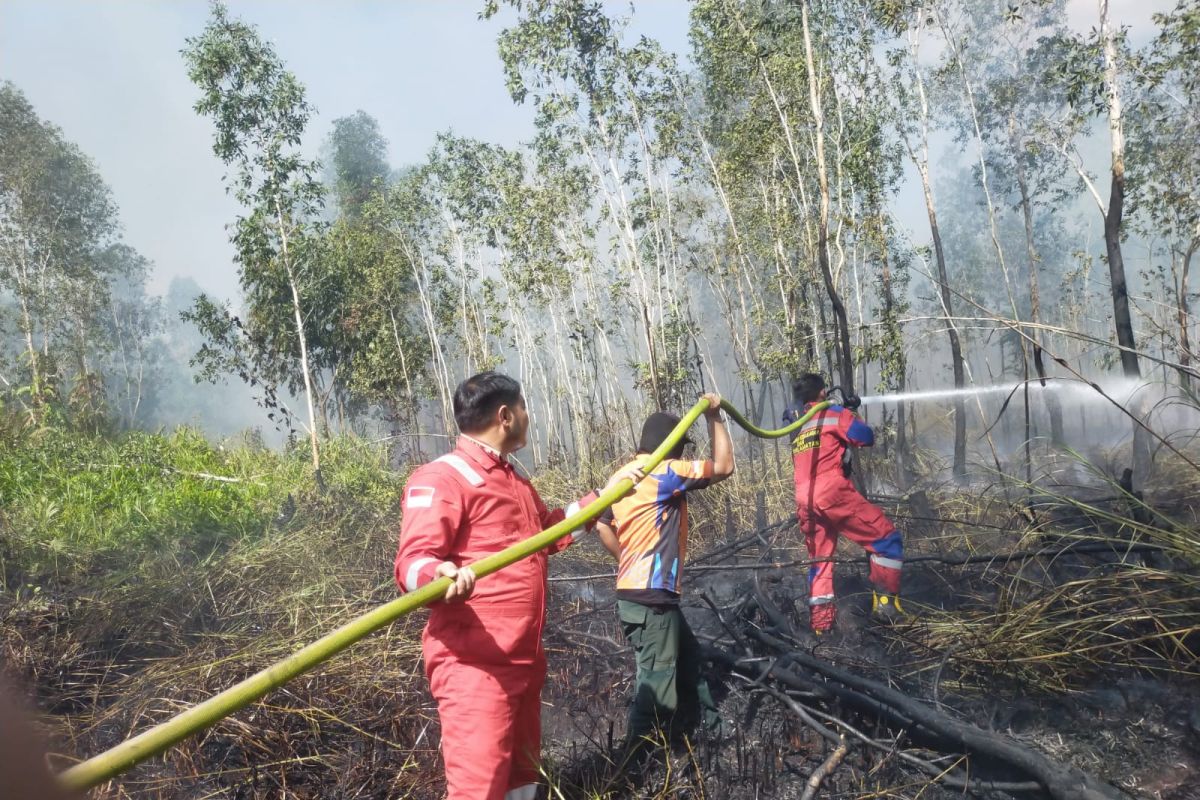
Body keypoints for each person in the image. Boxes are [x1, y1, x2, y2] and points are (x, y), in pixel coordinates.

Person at [394, 371, 639, 800]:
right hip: (475, 668)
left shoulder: (514, 481)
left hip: (523, 663)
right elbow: (411, 563)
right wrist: (439, 577)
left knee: (523, 785)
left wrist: (605, 496)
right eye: (525, 408)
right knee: (479, 789)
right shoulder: (442, 478)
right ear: (506, 416)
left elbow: (549, 533)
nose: (529, 416)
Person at [594, 394, 733, 751]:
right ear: (669, 445)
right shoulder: (665, 472)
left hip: (638, 594)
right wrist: (715, 417)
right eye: (681, 448)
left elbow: (601, 524)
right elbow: (724, 466)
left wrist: (625, 558)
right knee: (657, 689)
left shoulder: (621, 476)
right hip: (652, 598)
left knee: (689, 660)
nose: (684, 455)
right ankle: (631, 765)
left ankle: (712, 730)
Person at [783, 373, 904, 634]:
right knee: (886, 540)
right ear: (823, 392)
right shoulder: (833, 414)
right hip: (831, 492)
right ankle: (885, 605)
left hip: (805, 498)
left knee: (821, 560)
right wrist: (850, 411)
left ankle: (821, 627)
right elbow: (865, 437)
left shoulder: (799, 427)